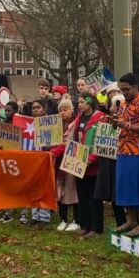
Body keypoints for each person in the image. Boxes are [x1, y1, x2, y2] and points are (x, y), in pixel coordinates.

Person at [112, 73, 139, 238]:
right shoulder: (123, 104)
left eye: (127, 89)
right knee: (126, 186)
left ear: (136, 87)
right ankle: (131, 220)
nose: (124, 93)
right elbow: (122, 123)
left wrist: (127, 125)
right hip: (123, 150)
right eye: (122, 90)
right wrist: (115, 123)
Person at [70, 94, 106, 236]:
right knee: (82, 196)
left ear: (89, 103)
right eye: (78, 102)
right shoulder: (78, 119)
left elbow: (102, 140)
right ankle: (84, 225)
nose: (79, 105)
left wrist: (93, 157)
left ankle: (96, 227)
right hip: (80, 164)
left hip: (93, 166)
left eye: (82, 102)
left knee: (94, 198)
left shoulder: (100, 118)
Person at [93, 92, 127, 232]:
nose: (115, 107)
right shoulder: (105, 120)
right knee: (113, 196)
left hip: (121, 161)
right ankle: (120, 224)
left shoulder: (126, 121)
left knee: (120, 195)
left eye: (118, 104)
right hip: (108, 162)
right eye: (114, 104)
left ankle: (128, 222)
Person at [51, 99, 79, 232]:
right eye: (61, 110)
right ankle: (63, 219)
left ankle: (76, 220)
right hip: (59, 161)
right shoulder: (56, 125)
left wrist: (54, 151)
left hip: (71, 160)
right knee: (60, 191)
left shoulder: (75, 123)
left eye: (66, 109)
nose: (63, 112)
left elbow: (69, 142)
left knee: (72, 190)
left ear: (71, 110)